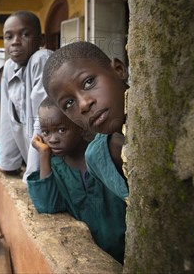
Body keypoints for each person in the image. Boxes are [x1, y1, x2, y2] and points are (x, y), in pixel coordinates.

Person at [27, 97, 126, 263]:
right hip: (93, 260)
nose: (52, 139)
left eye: (61, 129)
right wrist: (44, 155)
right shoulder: (56, 167)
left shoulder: (104, 154)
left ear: (80, 127)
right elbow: (47, 206)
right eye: (46, 132)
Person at [42, 41, 129, 201]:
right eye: (69, 103)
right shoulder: (96, 158)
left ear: (119, 70)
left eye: (88, 82)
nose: (83, 105)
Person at [0, 11, 52, 181]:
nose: (15, 42)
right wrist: (8, 163)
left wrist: (32, 174)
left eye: (25, 34)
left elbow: (43, 119)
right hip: (31, 157)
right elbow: (7, 119)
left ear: (41, 40)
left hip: (53, 157)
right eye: (9, 37)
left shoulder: (41, 59)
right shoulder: (8, 67)